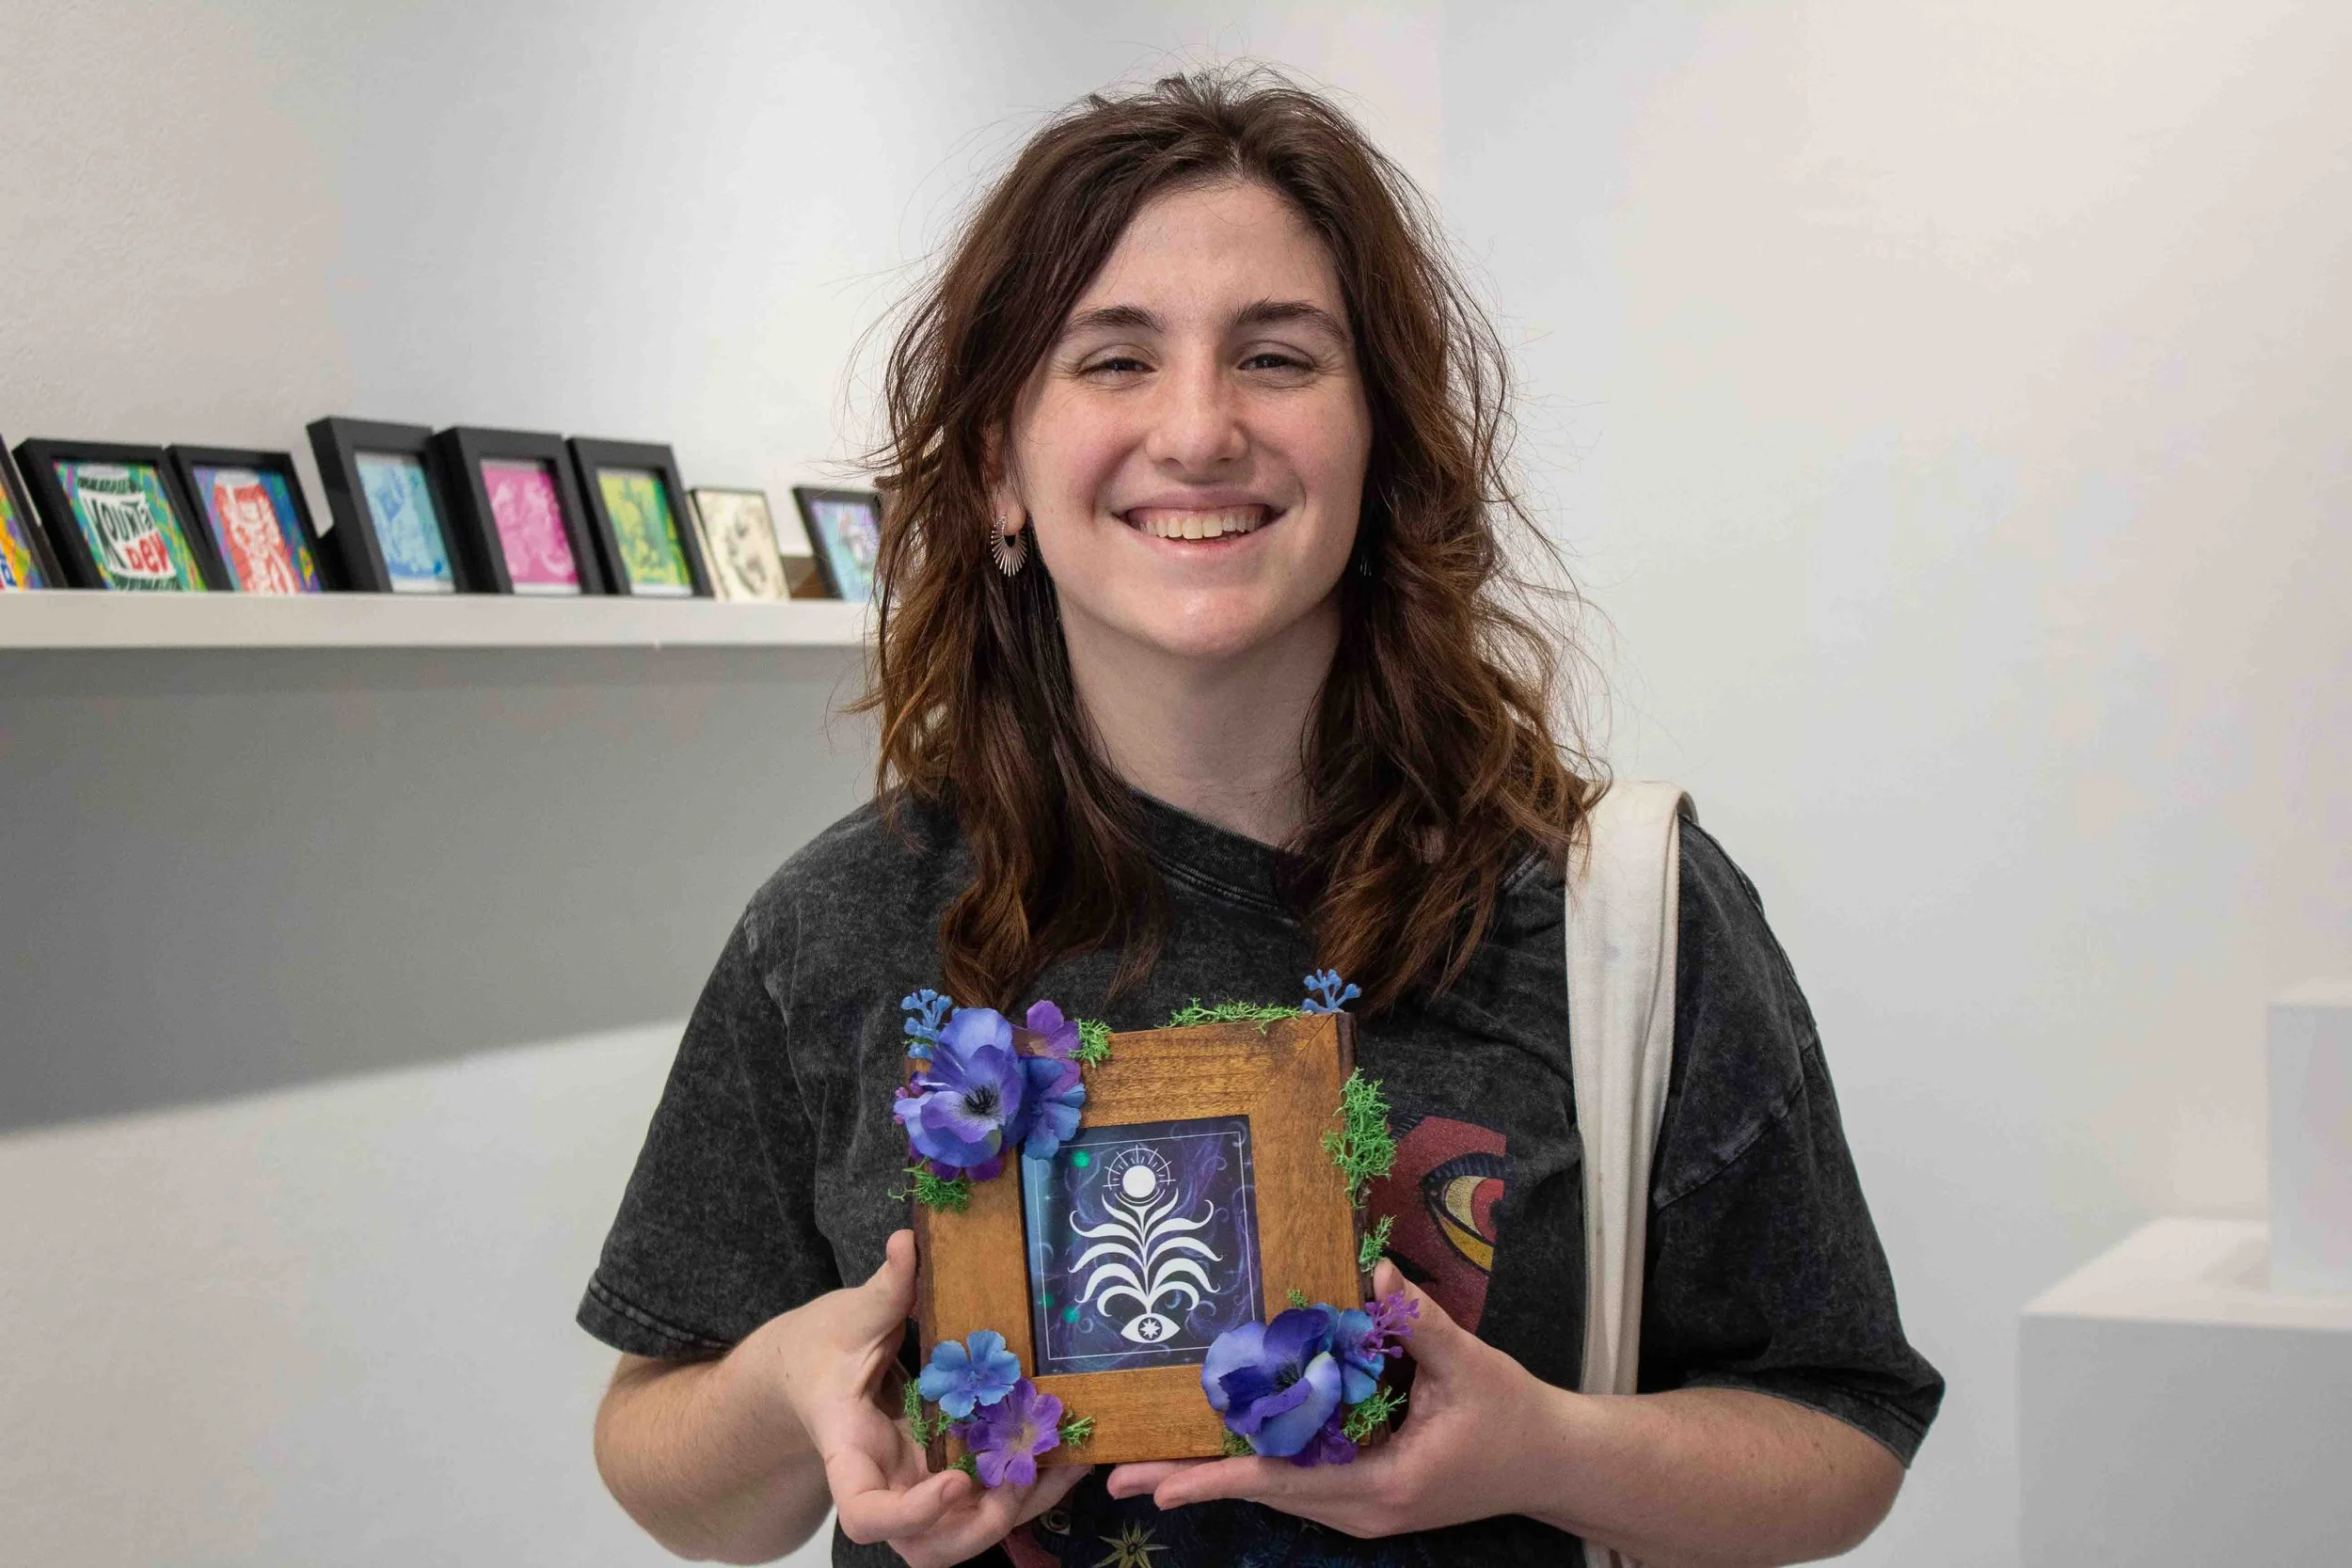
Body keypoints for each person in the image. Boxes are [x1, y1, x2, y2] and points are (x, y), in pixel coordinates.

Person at [580, 69, 1943, 1568]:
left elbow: (1841, 1428)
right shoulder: (838, 924)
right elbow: (661, 1459)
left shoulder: (1612, 911)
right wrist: (787, 1393)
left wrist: (1549, 1450)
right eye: (1112, 360)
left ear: (1382, 442)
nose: (1200, 429)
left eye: (1277, 356)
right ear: (996, 473)